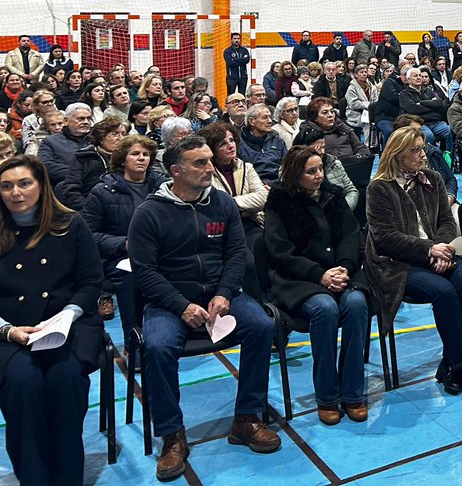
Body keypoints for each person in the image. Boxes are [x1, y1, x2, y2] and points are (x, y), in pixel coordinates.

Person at [127, 136, 281, 479]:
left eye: (210, 160)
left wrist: (225, 293)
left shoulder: (222, 203)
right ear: (176, 171)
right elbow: (145, 272)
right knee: (157, 346)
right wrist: (181, 305)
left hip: (219, 296)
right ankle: (172, 435)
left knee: (262, 326)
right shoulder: (148, 213)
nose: (210, 167)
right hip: (169, 302)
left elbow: (237, 253)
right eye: (200, 163)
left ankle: (246, 417)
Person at [0, 155, 104, 486]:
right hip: (10, 331)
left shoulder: (71, 224)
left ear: (42, 186)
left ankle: (67, 477)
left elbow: (91, 282)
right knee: (22, 383)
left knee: (66, 379)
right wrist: (7, 330)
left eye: (24, 183)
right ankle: (34, 478)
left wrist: (66, 316)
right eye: (6, 186)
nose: (16, 192)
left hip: (67, 324)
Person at [364, 127, 462, 397]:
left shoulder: (433, 178)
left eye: (423, 148)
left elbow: (446, 220)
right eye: (416, 150)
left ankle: (449, 364)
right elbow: (385, 237)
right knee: (443, 292)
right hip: (397, 262)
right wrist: (430, 250)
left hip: (439, 253)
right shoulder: (379, 188)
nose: (424, 154)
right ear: (397, 155)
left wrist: (441, 250)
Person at [264, 146, 368, 425]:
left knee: (357, 303)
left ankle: (353, 392)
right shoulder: (280, 201)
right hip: (298, 278)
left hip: (340, 272)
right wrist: (319, 275)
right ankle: (327, 396)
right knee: (325, 308)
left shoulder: (333, 195)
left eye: (320, 168)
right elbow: (279, 251)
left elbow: (351, 235)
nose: (319, 175)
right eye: (311, 172)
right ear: (295, 175)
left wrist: (344, 267)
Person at [80, 134, 168, 345]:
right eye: (135, 154)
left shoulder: (165, 187)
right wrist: (123, 243)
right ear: (122, 160)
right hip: (121, 256)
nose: (142, 158)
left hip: (163, 251)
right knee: (131, 279)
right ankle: (133, 341)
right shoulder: (103, 191)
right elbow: (88, 235)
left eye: (146, 154)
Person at [307, 97, 369, 162]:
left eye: (332, 111)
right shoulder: (310, 135)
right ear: (315, 117)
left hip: (352, 165)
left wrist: (360, 159)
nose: (330, 115)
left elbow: (360, 147)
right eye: (325, 112)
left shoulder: (343, 128)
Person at [240, 102, 287, 184]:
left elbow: (287, 166)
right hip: (253, 184)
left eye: (270, 117)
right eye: (265, 118)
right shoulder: (240, 144)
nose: (270, 121)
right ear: (251, 121)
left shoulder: (278, 141)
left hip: (278, 183)